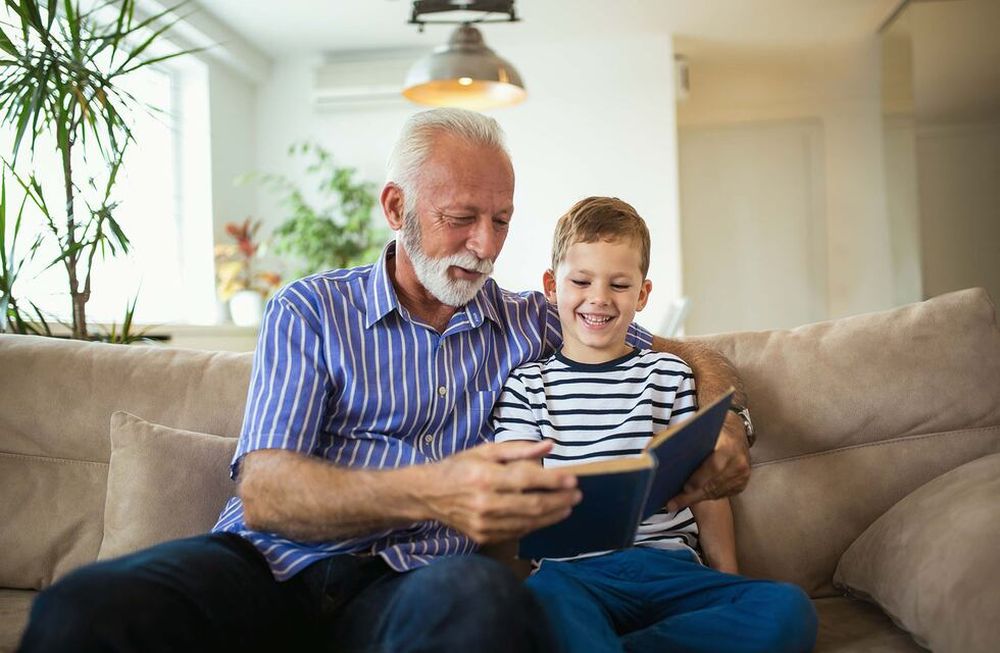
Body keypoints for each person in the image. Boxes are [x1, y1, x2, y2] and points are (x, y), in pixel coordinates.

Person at [19, 109, 753, 653]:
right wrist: (434, 489)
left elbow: (678, 348)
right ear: (397, 208)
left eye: (501, 220)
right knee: (86, 610)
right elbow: (266, 488)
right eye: (463, 218)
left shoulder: (525, 318)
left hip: (419, 585)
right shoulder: (311, 309)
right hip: (269, 568)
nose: (487, 245)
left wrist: (725, 423)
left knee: (483, 599)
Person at [491, 196, 817, 653]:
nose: (599, 298)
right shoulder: (527, 385)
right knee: (543, 605)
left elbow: (706, 494)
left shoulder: (669, 374)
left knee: (788, 610)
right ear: (552, 286)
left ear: (642, 294)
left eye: (619, 285)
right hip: (572, 576)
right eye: (581, 281)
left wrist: (725, 580)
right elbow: (514, 493)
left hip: (670, 568)